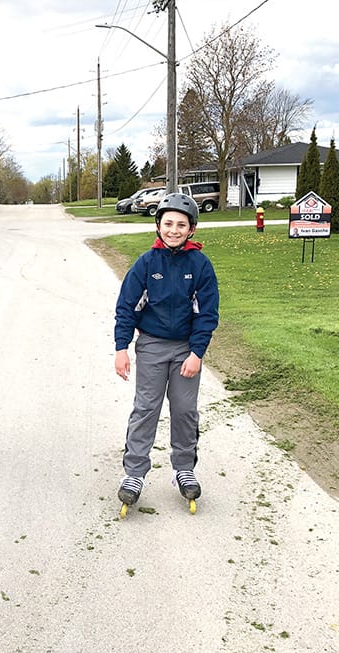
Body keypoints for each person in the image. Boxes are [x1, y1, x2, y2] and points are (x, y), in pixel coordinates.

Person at [113, 192, 219, 510]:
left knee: (185, 411)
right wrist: (121, 348)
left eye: (181, 225)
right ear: (158, 225)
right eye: (168, 223)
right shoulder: (146, 264)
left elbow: (207, 314)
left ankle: (183, 469)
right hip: (152, 346)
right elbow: (126, 308)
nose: (174, 230)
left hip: (186, 348)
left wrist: (197, 353)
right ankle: (134, 473)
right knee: (146, 408)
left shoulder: (200, 265)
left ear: (192, 230)